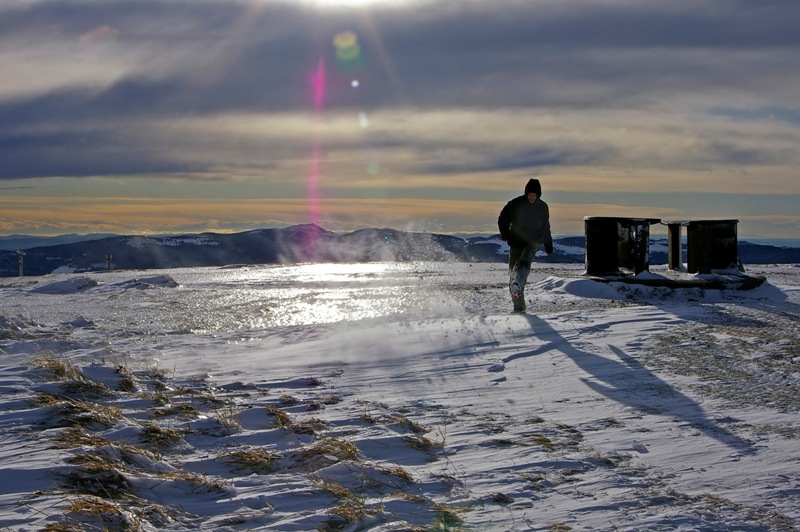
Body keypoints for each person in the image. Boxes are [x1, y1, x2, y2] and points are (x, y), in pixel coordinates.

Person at [497, 178, 553, 312]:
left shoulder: (542, 207)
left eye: (534, 195)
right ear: (526, 193)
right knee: (513, 273)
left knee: (524, 262)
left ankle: (519, 283)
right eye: (530, 194)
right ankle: (519, 307)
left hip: (534, 240)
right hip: (516, 240)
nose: (532, 197)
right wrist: (504, 232)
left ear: (538, 194)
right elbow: (503, 217)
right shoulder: (516, 203)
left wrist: (548, 243)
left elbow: (546, 226)